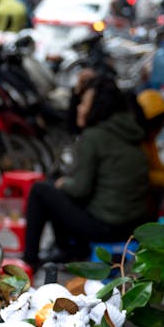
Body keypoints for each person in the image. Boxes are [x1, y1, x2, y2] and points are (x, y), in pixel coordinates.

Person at [22, 76, 150, 269]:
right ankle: (69, 250)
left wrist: (62, 184)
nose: (80, 108)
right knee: (58, 189)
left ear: (97, 108)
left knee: (42, 190)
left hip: (107, 226)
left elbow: (80, 188)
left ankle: (30, 261)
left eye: (84, 103)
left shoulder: (94, 137)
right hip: (132, 226)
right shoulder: (130, 132)